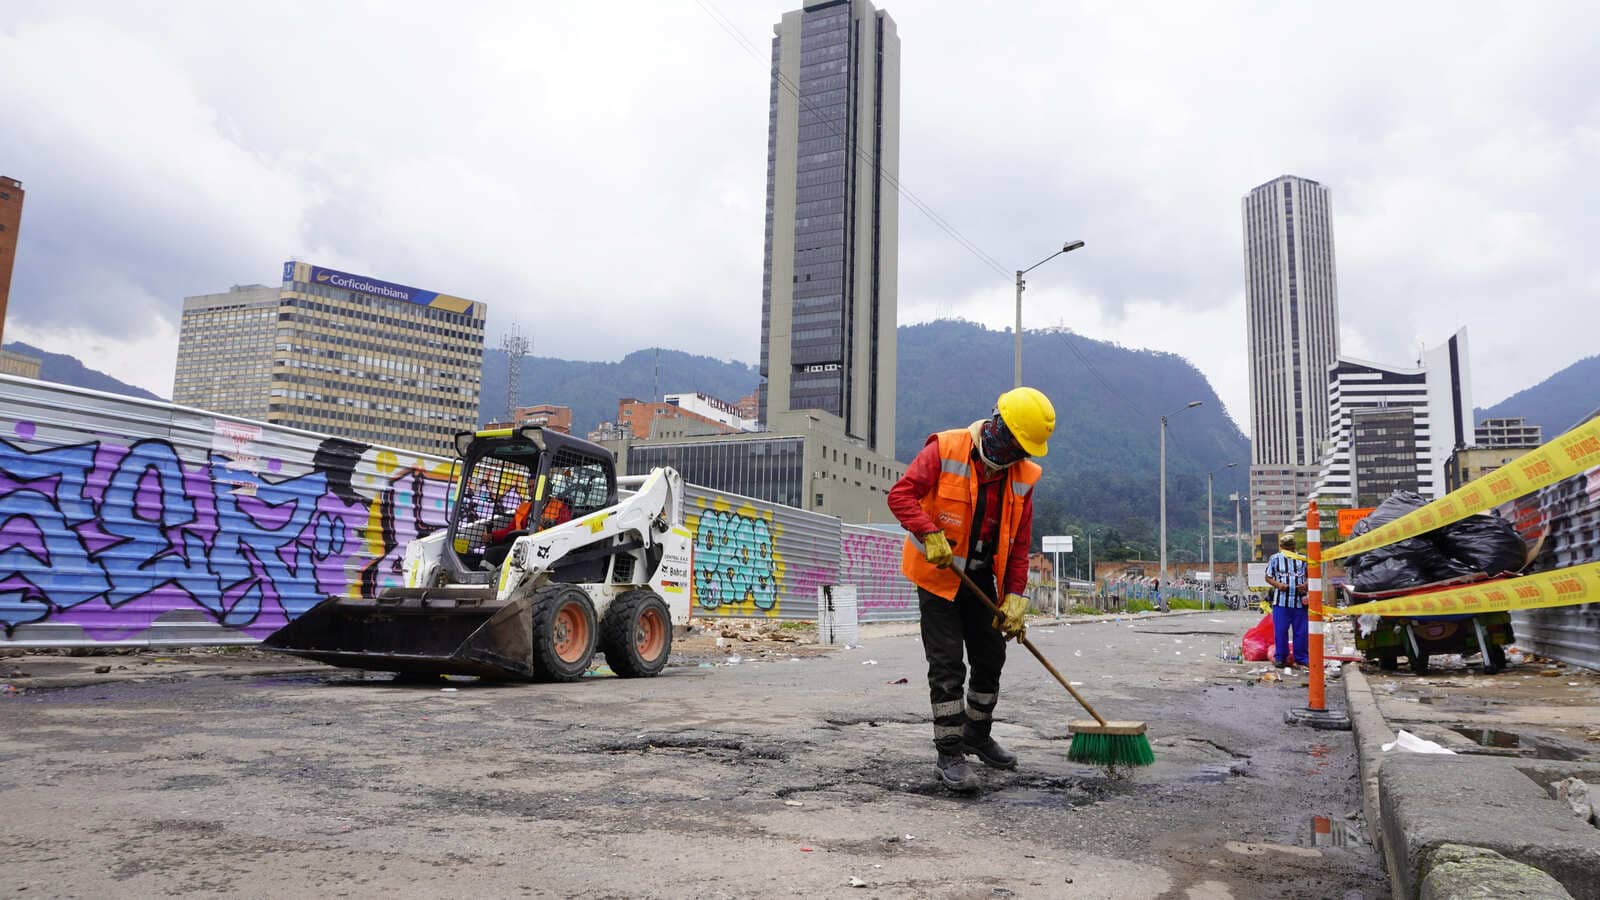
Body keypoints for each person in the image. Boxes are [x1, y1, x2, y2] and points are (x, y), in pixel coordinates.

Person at [887, 386, 1054, 794]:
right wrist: (928, 532)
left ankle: (977, 735)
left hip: (979, 579)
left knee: (990, 656)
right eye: (1012, 446)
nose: (1014, 456)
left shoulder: (1022, 478)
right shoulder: (946, 447)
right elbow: (900, 495)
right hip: (938, 576)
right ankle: (949, 751)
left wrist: (1015, 596)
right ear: (996, 426)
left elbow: (1017, 546)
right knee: (947, 666)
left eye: (1022, 451)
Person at [1265, 533, 1309, 667]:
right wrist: (1278, 585)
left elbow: (1311, 575)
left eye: (1291, 547)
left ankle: (1301, 657)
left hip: (1299, 602)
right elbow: (1268, 577)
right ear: (1281, 547)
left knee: (1301, 632)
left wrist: (1305, 585)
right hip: (1281, 602)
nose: (1289, 549)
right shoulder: (1275, 558)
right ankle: (1281, 657)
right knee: (1280, 630)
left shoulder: (1303, 559)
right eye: (1286, 547)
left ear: (1294, 546)